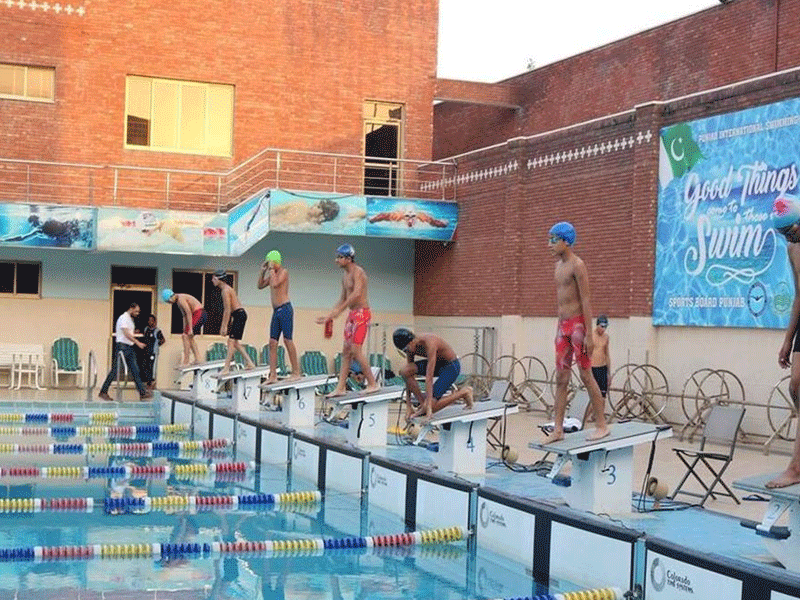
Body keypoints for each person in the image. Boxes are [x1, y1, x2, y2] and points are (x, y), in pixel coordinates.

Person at [545, 222, 610, 443]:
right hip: (562, 327)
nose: (550, 245)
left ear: (566, 241)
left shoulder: (577, 265)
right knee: (561, 378)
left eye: (554, 240)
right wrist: (557, 329)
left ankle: (601, 425)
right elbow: (560, 302)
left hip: (578, 327)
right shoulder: (558, 267)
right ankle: (558, 429)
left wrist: (590, 335)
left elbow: (586, 300)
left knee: (585, 374)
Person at [315, 243, 379, 396]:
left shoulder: (359, 273)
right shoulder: (344, 277)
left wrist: (339, 311)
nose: (336, 260)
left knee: (356, 351)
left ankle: (372, 383)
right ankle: (341, 387)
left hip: (362, 314)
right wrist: (330, 315)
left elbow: (356, 294)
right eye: (337, 257)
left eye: (340, 257)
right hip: (352, 315)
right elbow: (342, 299)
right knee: (346, 352)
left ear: (349, 258)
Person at [767, 197, 800, 488]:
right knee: (795, 385)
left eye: (790, 231)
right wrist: (787, 341)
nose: (789, 237)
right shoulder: (793, 250)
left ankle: (795, 467)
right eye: (784, 234)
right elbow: (798, 296)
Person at [393, 328, 473, 421]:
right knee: (404, 371)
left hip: (451, 367)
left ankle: (464, 392)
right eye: (403, 351)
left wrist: (429, 408)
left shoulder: (430, 342)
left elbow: (429, 378)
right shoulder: (410, 348)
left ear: (412, 341)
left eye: (406, 349)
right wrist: (408, 406)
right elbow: (408, 377)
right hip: (438, 365)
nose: (407, 352)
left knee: (431, 407)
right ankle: (423, 404)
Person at [257, 249, 301, 383]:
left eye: (271, 263)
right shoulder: (272, 274)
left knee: (287, 340)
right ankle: (273, 375)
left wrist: (271, 270)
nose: (270, 266)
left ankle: (296, 372)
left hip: (286, 309)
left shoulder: (283, 272)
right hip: (276, 312)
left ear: (276, 262)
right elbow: (259, 285)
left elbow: (275, 284)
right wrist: (263, 271)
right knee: (272, 343)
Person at [98, 303, 152, 401]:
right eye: (136, 311)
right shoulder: (123, 318)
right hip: (122, 347)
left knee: (135, 370)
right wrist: (137, 342)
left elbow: (128, 332)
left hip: (129, 347)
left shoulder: (129, 319)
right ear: (131, 308)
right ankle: (103, 391)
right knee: (115, 370)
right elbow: (126, 333)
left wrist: (134, 333)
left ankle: (142, 392)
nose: (137, 313)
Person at [213, 269, 257, 375]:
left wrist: (224, 327)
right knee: (235, 343)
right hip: (239, 314)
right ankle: (250, 363)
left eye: (214, 278)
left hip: (239, 315)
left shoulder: (225, 290)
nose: (212, 281)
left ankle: (226, 368)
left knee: (231, 342)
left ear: (219, 279)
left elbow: (227, 309)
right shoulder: (228, 289)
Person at [162, 289, 206, 366]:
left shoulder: (181, 299)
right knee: (187, 336)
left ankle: (186, 361)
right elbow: (184, 316)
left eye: (169, 302)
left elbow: (188, 312)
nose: (170, 303)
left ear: (170, 297)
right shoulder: (178, 301)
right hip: (198, 314)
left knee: (186, 336)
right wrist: (185, 329)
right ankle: (198, 359)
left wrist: (190, 329)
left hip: (199, 313)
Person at [270, 198, 341, 227]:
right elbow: (274, 209)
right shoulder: (299, 204)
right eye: (318, 203)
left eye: (318, 207)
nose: (314, 204)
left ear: (322, 216)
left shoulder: (311, 226)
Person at [140, 313, 165, 390]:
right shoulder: (146, 329)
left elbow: (163, 340)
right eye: (149, 320)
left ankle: (151, 383)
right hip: (145, 351)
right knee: (144, 367)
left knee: (151, 368)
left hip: (153, 353)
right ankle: (147, 382)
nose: (150, 322)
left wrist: (156, 346)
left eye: (151, 321)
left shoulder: (157, 331)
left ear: (154, 322)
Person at [368, 206, 449, 228]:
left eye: (412, 217)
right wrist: (373, 219)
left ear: (415, 216)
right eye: (408, 217)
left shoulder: (421, 217)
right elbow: (383, 215)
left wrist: (443, 224)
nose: (410, 219)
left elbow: (434, 222)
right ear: (404, 216)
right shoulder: (399, 216)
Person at [591, 315, 611, 399]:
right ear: (597, 325)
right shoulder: (591, 336)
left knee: (602, 396)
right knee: (593, 396)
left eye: (605, 327)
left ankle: (600, 412)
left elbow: (607, 354)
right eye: (602, 326)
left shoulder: (606, 337)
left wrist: (609, 373)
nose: (604, 329)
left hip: (603, 368)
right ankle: (591, 412)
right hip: (593, 368)